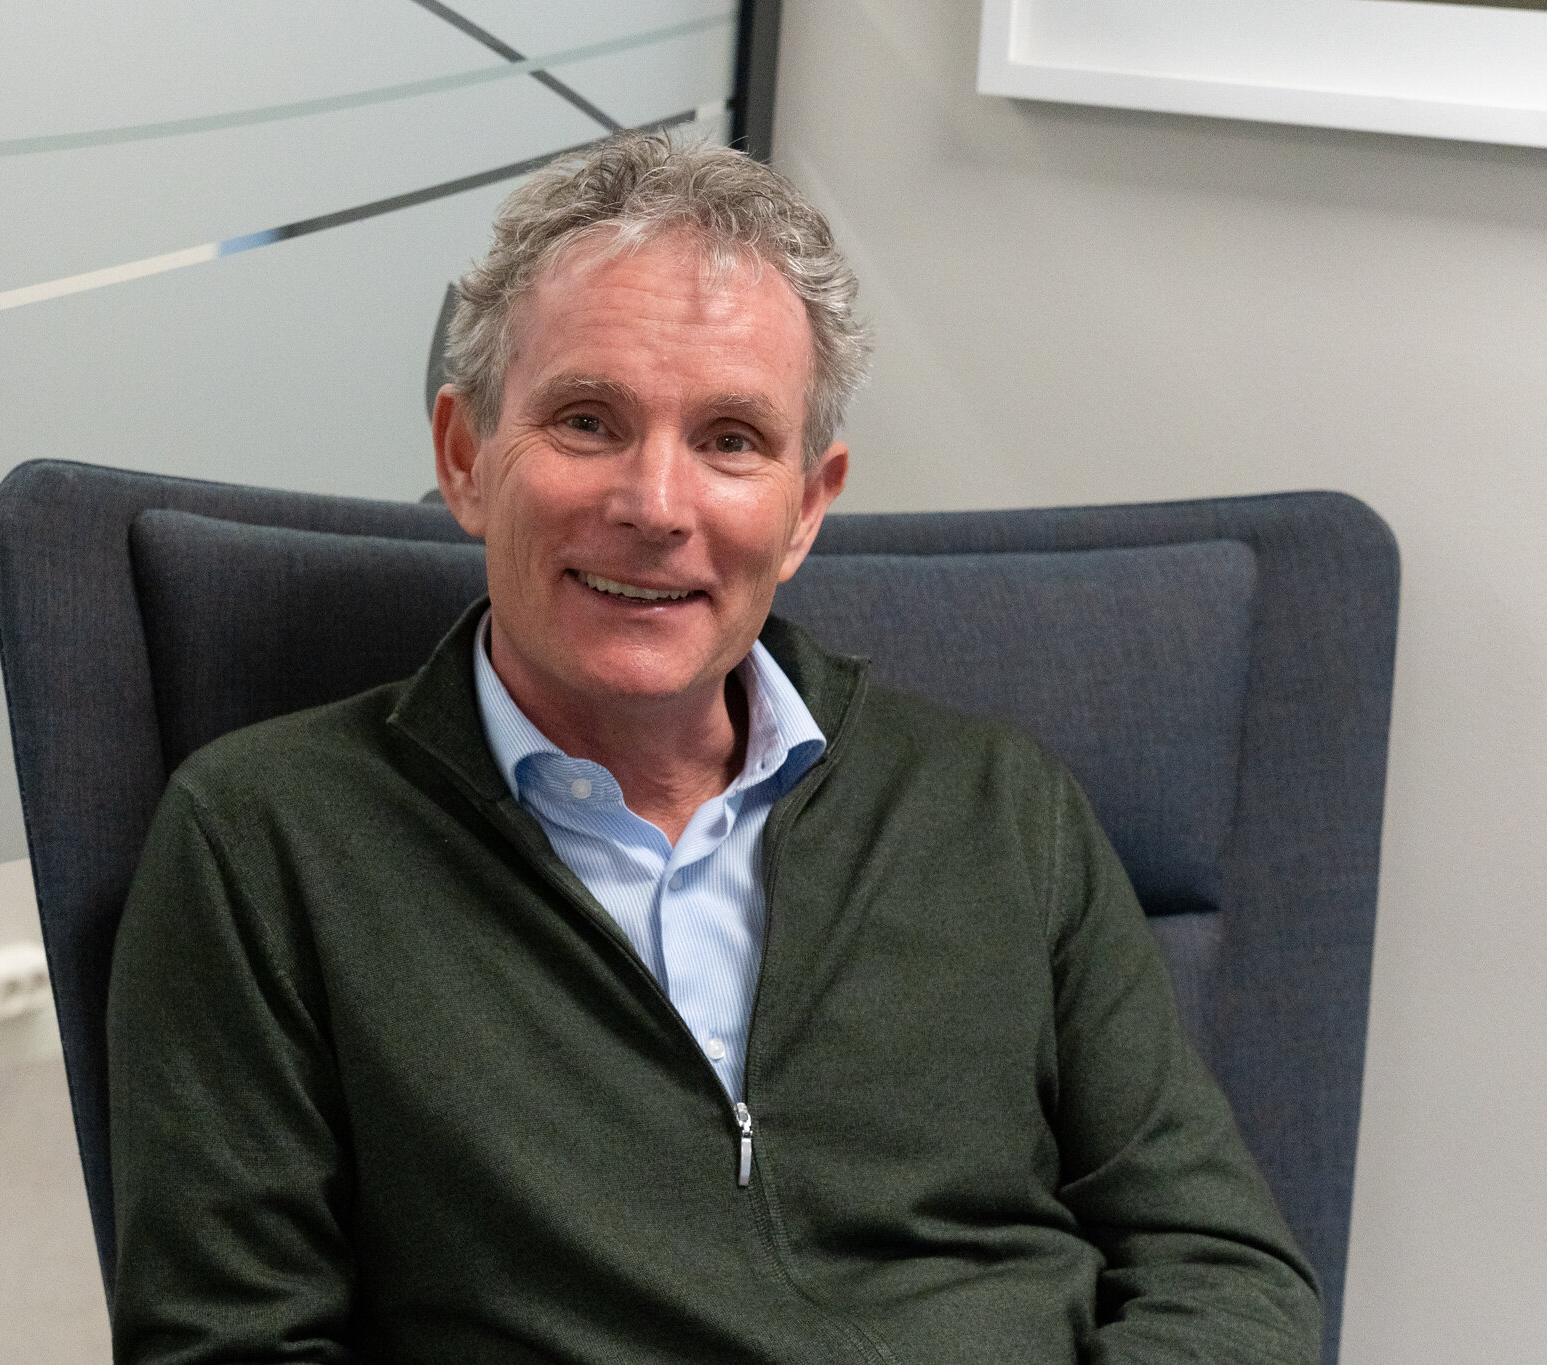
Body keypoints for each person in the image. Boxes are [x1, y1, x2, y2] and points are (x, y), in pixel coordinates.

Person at [107, 134, 1321, 1364]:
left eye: (730, 439)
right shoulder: (264, 840)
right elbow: (228, 1347)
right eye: (587, 421)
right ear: (465, 457)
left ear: (805, 508)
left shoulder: (997, 804)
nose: (654, 506)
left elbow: (1223, 1274)